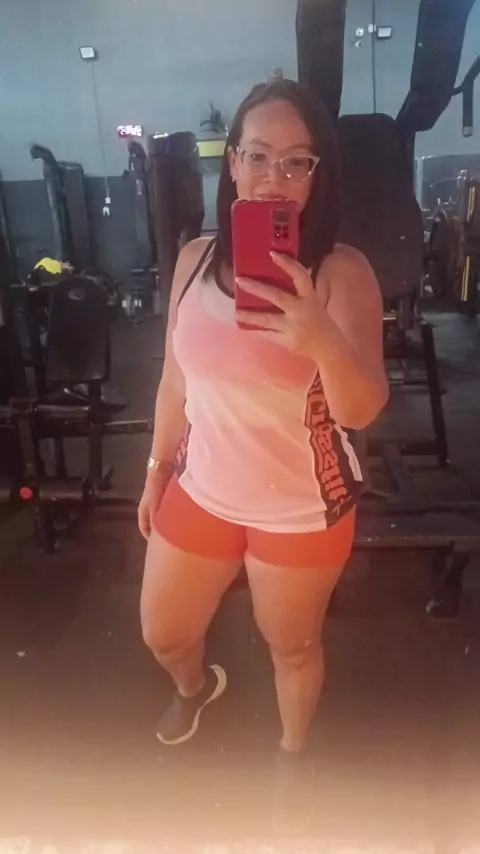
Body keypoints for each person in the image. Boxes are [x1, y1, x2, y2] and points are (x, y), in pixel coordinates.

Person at [138, 78, 388, 832]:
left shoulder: (342, 273)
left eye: (296, 162)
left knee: (293, 647)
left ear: (317, 175)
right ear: (233, 164)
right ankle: (196, 688)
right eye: (257, 156)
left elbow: (361, 410)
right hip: (204, 486)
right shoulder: (193, 259)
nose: (274, 177)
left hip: (301, 503)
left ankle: (292, 756)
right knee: (163, 632)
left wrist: (320, 337)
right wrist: (156, 470)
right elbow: (174, 380)